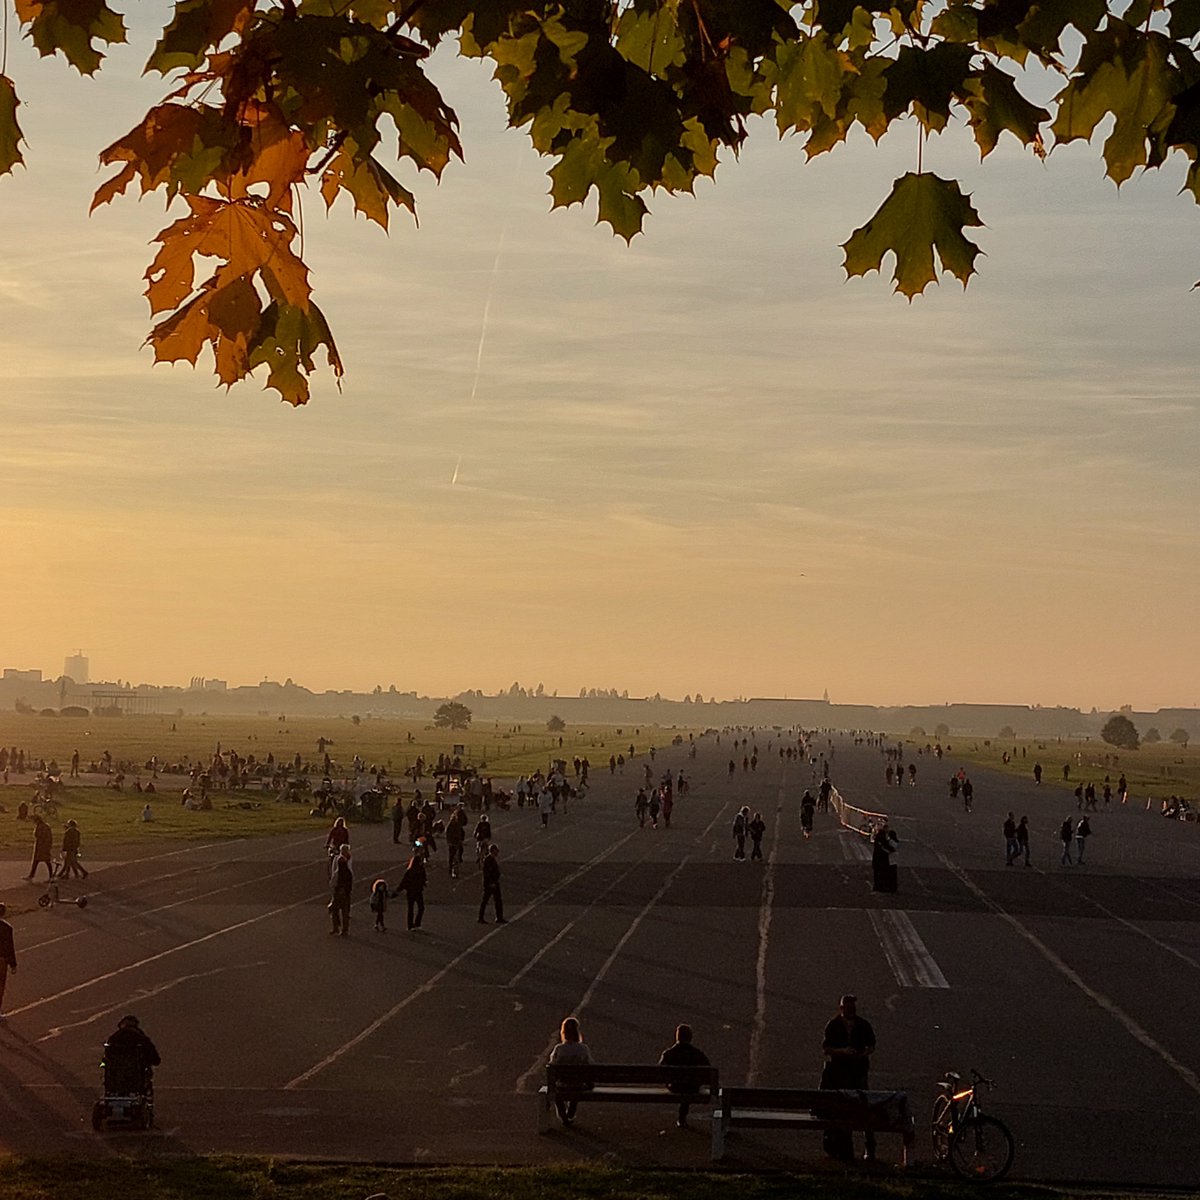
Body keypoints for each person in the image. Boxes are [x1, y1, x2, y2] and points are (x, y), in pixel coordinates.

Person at [820, 994, 876, 1160]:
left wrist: (863, 1053)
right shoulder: (834, 1025)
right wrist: (843, 1051)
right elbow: (826, 1048)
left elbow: (871, 1045)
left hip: (857, 1070)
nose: (852, 1011)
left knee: (861, 1107)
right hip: (841, 1072)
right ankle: (846, 1145)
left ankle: (866, 1146)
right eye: (849, 1008)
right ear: (842, 1009)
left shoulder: (862, 1025)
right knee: (849, 1108)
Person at [658, 1023, 711, 1127]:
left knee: (682, 1084)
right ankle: (682, 1117)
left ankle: (682, 1118)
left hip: (675, 1087)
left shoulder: (668, 1054)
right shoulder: (698, 1054)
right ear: (690, 1038)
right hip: (692, 1088)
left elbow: (660, 1071)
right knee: (688, 1086)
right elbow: (708, 1071)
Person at [548, 1016, 592, 1125]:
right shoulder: (583, 1048)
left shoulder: (559, 1048)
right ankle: (571, 1112)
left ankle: (563, 1116)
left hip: (563, 1083)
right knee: (577, 1083)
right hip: (578, 1084)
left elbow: (552, 1065)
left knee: (557, 1091)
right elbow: (590, 1065)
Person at [105, 1014, 161, 1080]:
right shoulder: (141, 1038)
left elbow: (107, 1055)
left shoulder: (114, 1038)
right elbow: (155, 1058)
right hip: (137, 1077)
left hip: (116, 1078)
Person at [394, 849, 427, 930]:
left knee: (412, 908)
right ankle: (416, 923)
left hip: (412, 891)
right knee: (419, 907)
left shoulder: (411, 871)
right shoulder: (420, 870)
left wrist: (398, 890)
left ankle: (411, 925)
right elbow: (423, 879)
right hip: (416, 891)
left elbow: (404, 882)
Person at [478, 843, 506, 924]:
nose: (497, 852)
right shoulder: (488, 860)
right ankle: (481, 917)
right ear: (493, 851)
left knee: (497, 900)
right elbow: (487, 873)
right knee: (485, 900)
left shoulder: (491, 859)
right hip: (490, 884)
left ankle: (499, 917)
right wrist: (491, 882)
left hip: (494, 883)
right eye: (496, 850)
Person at [329, 844, 353, 935]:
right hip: (342, 892)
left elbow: (337, 880)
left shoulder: (343, 871)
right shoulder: (347, 870)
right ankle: (341, 928)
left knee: (339, 910)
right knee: (342, 911)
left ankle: (340, 928)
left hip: (341, 892)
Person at [871, 820, 899, 892]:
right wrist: (891, 849)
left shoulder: (880, 836)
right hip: (881, 860)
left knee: (878, 874)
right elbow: (885, 847)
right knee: (881, 874)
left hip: (878, 859)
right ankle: (881, 887)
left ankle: (879, 887)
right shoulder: (882, 836)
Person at [25, 815, 54, 882]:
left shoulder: (40, 827)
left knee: (39, 861)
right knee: (45, 861)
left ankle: (32, 876)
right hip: (45, 846)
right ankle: (50, 876)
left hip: (40, 846)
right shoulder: (47, 826)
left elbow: (37, 835)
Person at [0, 903, 16, 1019]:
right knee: (0, 986)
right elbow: (9, 947)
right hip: (1, 960)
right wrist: (13, 964)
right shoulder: (7, 928)